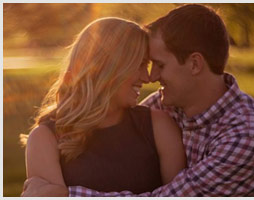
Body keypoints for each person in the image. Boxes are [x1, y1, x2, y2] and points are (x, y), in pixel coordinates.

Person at [23, 4, 254, 197]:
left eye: (157, 65)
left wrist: (65, 195)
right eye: (142, 64)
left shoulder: (248, 132)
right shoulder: (164, 107)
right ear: (110, 69)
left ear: (195, 64)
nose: (150, 76)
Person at [20, 17, 186, 197]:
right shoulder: (45, 139)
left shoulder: (159, 126)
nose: (147, 78)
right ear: (108, 67)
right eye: (140, 65)